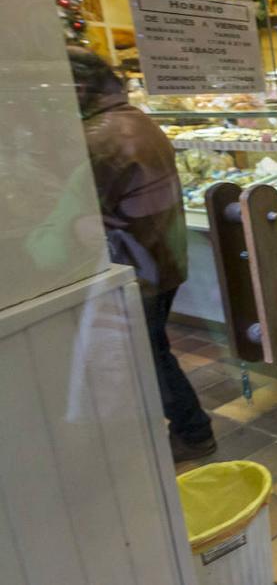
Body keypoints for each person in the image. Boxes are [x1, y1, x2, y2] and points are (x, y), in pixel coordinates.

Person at [67, 47, 216, 463]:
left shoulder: (96, 139)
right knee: (151, 349)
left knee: (150, 354)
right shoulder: (137, 121)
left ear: (79, 88)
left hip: (137, 263)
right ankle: (183, 427)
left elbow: (76, 212)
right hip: (160, 255)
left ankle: (193, 431)